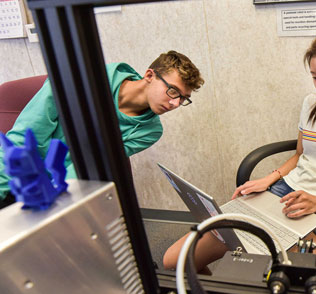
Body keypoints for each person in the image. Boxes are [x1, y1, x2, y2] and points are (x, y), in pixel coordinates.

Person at [162, 31, 316, 272]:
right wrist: (269, 179)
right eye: (315, 77)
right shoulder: (311, 104)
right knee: (175, 260)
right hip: (281, 194)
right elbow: (299, 155)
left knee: (262, 276)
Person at [0, 50, 204, 208]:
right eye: (173, 91)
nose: (175, 103)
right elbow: (28, 132)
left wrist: (55, 197)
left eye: (183, 99)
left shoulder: (149, 131)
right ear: (149, 75)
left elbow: (92, 162)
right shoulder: (87, 77)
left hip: (62, 184)